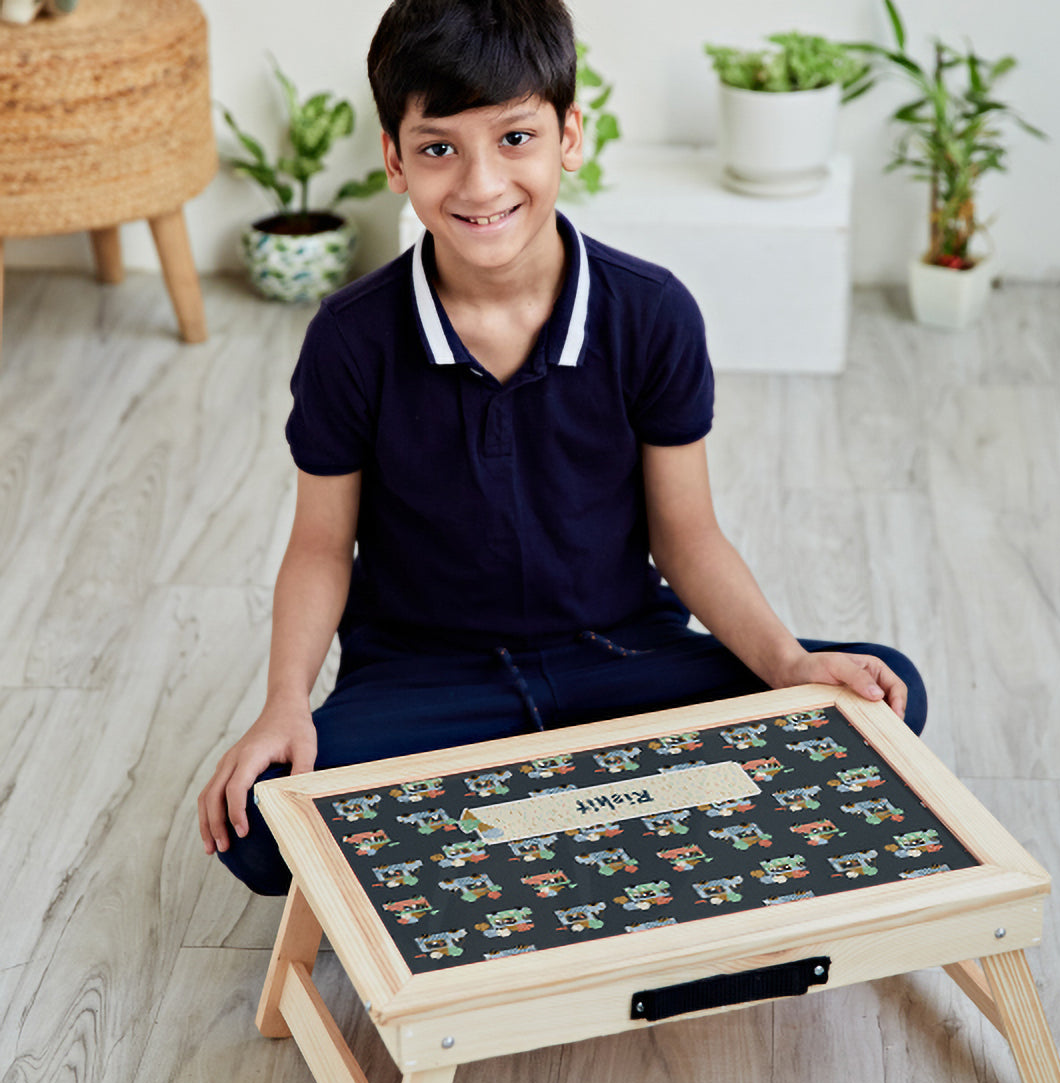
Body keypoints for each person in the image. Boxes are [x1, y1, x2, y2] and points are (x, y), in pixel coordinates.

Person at [198, 0, 927, 895]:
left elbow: (687, 535)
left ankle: (514, 829)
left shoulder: (651, 312)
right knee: (260, 820)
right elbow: (319, 546)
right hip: (430, 682)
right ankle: (607, 824)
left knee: (879, 693)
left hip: (620, 659)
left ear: (568, 135)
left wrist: (786, 665)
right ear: (393, 159)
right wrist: (283, 704)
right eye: (438, 148)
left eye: (514, 138)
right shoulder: (351, 338)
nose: (478, 185)